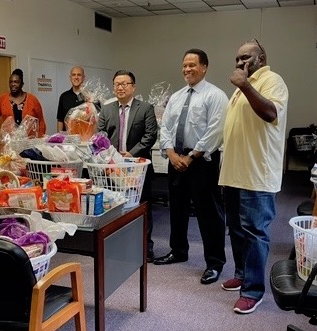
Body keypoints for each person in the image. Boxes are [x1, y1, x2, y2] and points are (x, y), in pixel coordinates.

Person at [219, 39, 289, 314]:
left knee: (255, 233)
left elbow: (270, 113)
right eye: (238, 58)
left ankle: (253, 290)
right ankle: (242, 274)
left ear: (262, 57)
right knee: (236, 230)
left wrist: (245, 85)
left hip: (256, 176)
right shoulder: (241, 85)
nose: (240, 63)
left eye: (247, 57)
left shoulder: (272, 80)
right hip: (234, 173)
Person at [154, 49, 228, 286]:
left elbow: (215, 130)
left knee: (209, 213)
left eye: (192, 65)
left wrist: (192, 156)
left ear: (204, 67)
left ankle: (214, 263)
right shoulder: (176, 97)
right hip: (176, 160)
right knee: (177, 208)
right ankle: (178, 251)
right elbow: (165, 127)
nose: (187, 69)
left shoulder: (215, 96)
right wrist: (172, 154)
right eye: (184, 65)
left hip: (202, 162)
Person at [97, 70, 158, 261]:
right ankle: (119, 247)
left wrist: (131, 154)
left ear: (133, 87)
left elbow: (150, 135)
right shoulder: (106, 110)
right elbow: (100, 137)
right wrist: (113, 156)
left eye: (124, 84)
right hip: (114, 168)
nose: (120, 87)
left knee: (142, 207)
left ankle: (145, 247)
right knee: (115, 207)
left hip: (138, 167)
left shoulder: (145, 108)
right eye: (116, 84)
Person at [0, 68, 46, 139]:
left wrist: (40, 139)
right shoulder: (3, 99)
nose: (13, 84)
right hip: (9, 144)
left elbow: (41, 121)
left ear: (22, 84)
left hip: (29, 144)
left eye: (16, 82)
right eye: (11, 82)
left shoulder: (32, 100)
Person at [57, 66, 87, 132]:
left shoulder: (90, 97)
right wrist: (60, 137)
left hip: (85, 139)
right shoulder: (63, 96)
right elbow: (60, 120)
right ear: (70, 78)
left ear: (83, 78)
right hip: (67, 139)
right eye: (73, 75)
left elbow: (96, 120)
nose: (76, 77)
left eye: (79, 75)